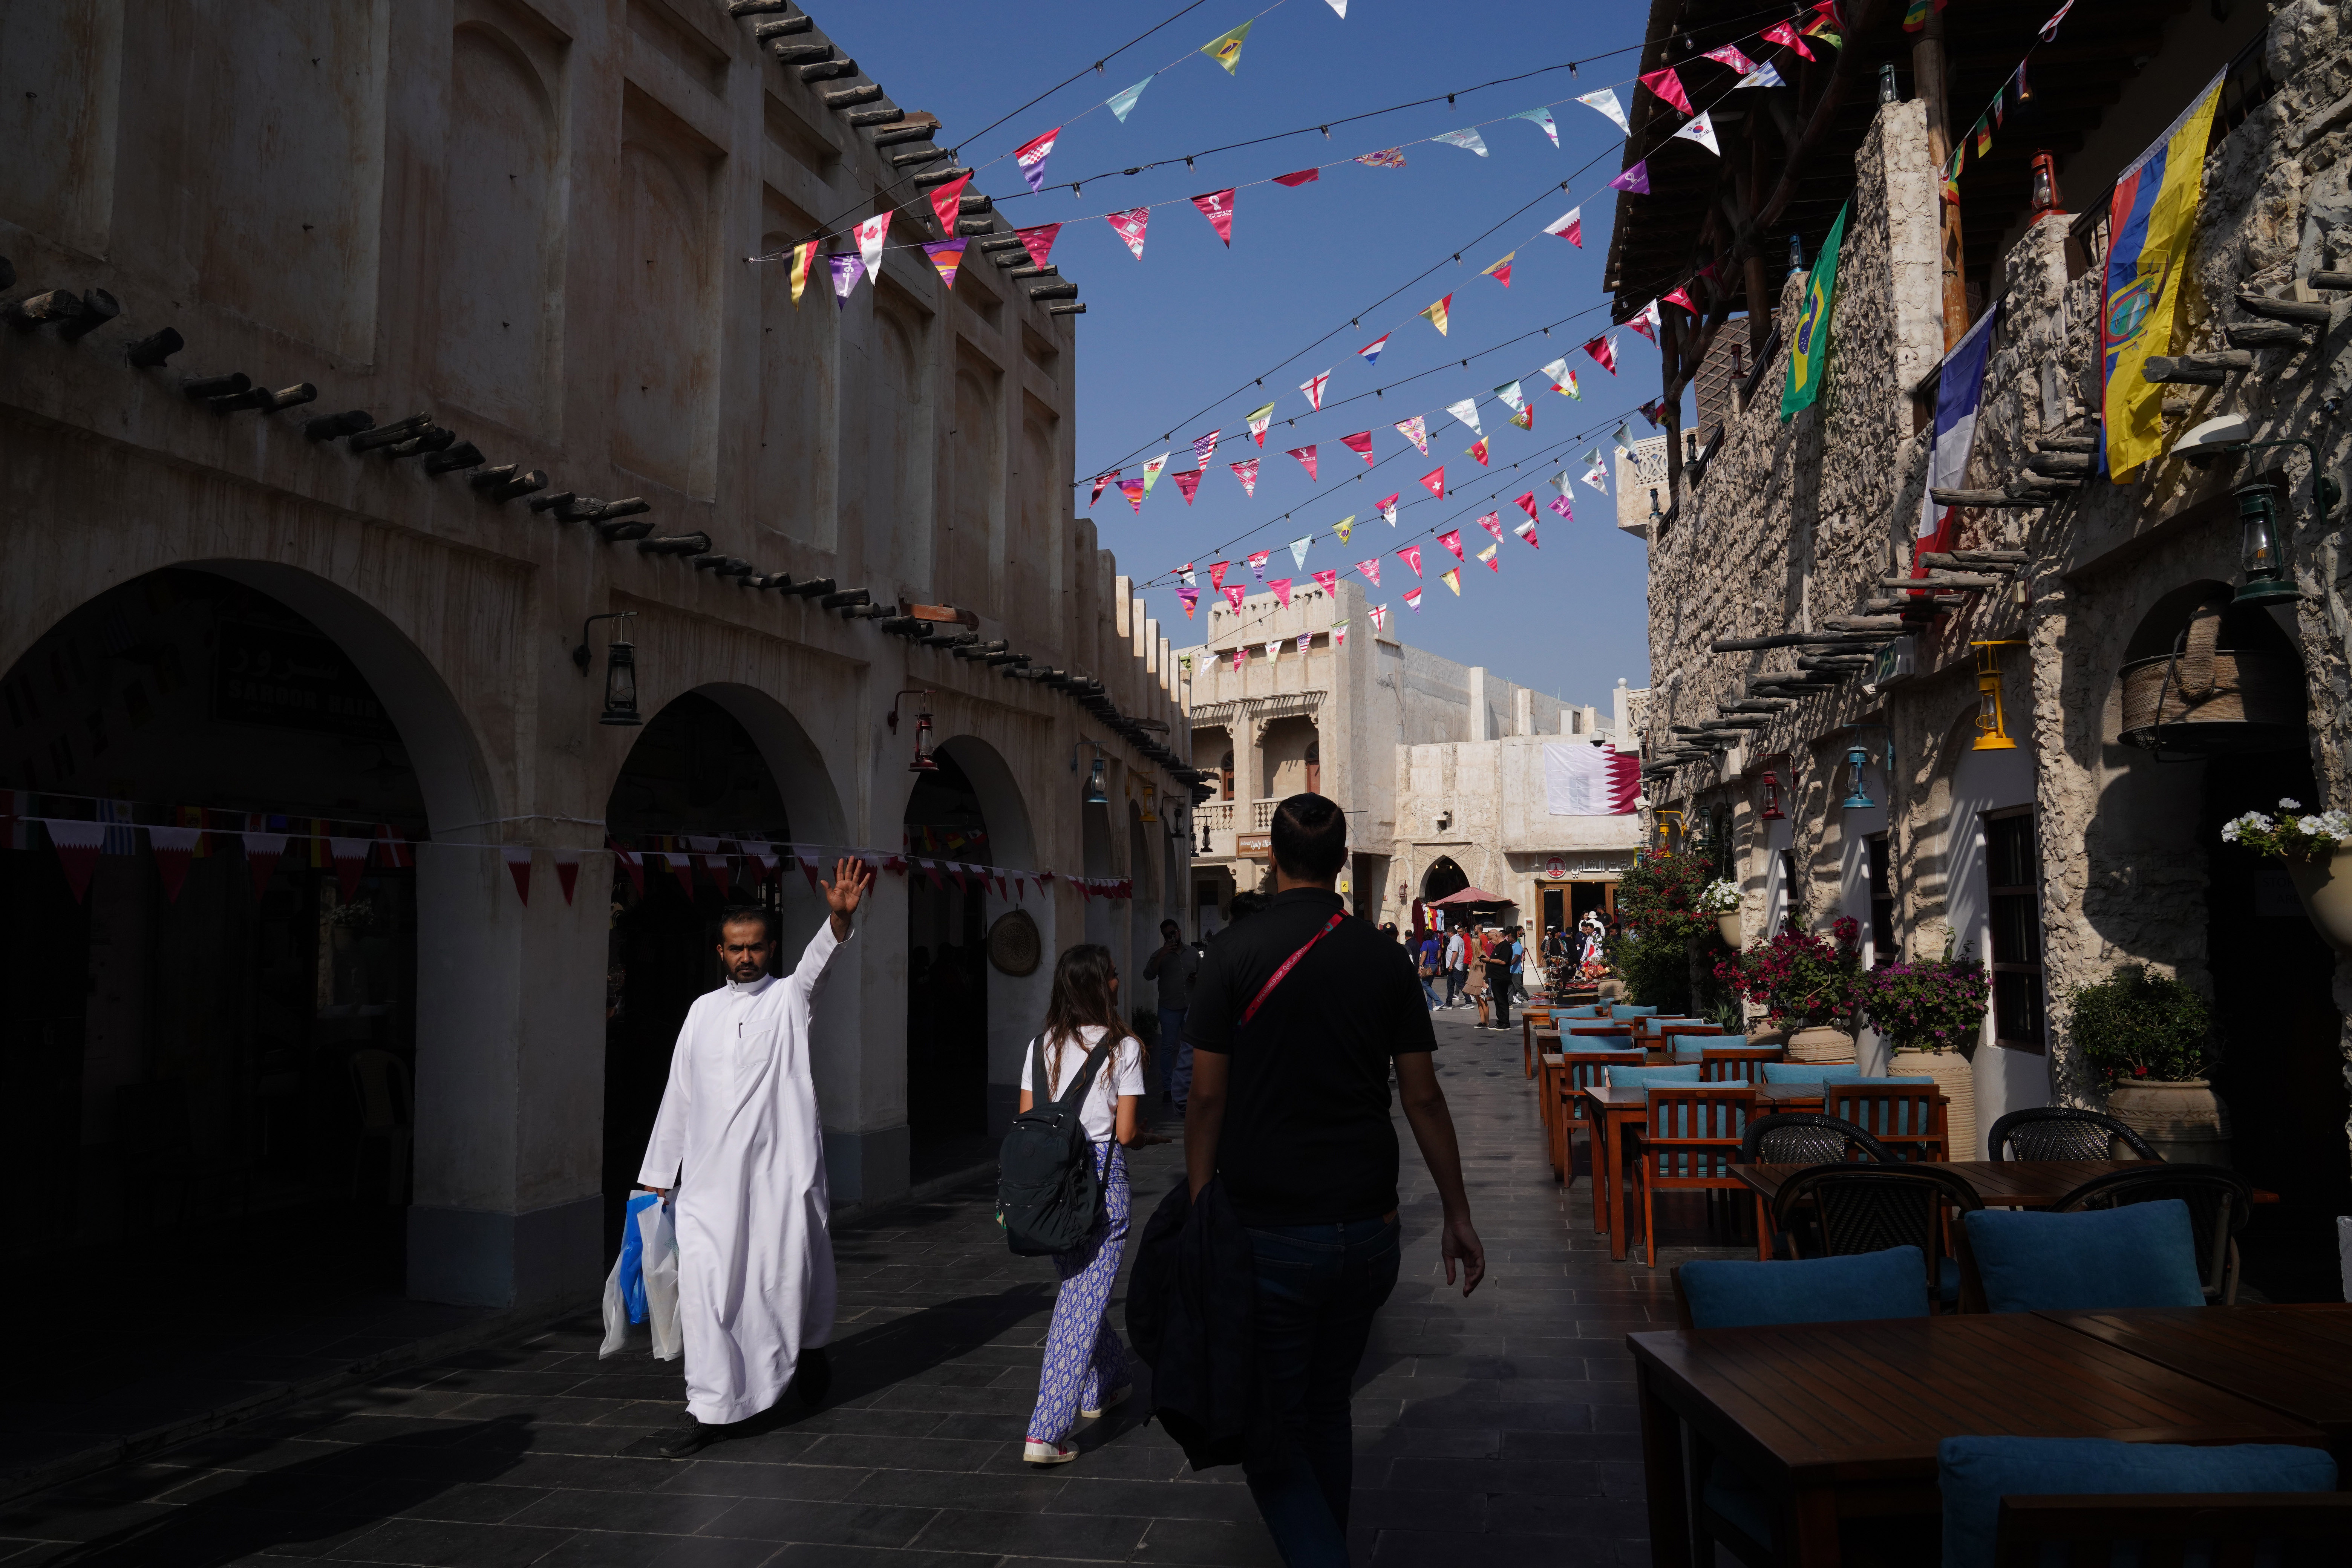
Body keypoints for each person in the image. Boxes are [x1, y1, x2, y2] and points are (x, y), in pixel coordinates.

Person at [1182, 793, 1484, 1565]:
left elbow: (1207, 1096)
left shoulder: (1235, 953)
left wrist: (1197, 1203)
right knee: (1325, 1412)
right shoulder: (1383, 957)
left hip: (1270, 1228)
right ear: (1343, 861)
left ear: (1272, 860)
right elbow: (1422, 1095)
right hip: (1368, 1226)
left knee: (1268, 1429)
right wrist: (1457, 1212)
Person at [640, 859, 873, 1456]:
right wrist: (657, 1181)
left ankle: (809, 1345)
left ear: (772, 949)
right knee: (705, 1288)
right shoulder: (700, 1012)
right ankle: (712, 1408)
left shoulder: (789, 1000)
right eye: (737, 949)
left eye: (757, 948)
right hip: (709, 1189)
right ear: (720, 951)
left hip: (778, 1178)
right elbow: (679, 1096)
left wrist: (839, 920)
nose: (747, 958)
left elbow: (818, 968)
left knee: (785, 1276)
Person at [1018, 944, 1147, 1464]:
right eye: (1113, 976)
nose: (1119, 982)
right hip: (1099, 1181)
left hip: (1048, 1186)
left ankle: (1109, 1381)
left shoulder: (1041, 1045)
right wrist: (1148, 1139)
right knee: (1080, 1301)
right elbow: (1127, 1131)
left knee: (1081, 1292)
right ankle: (1046, 1432)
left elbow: (1027, 1122)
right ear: (1099, 985)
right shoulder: (1125, 1048)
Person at [1143, 919, 1200, 1110]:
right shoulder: (1159, 955)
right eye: (1167, 935)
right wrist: (1162, 954)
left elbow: (1204, 973)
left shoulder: (1192, 953)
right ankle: (1168, 1088)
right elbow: (1148, 975)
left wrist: (1197, 978)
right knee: (1168, 1048)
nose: (1171, 937)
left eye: (1173, 933)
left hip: (1190, 1006)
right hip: (1169, 1007)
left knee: (1193, 1046)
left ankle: (1193, 1085)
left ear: (1180, 932)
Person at [1487, 926, 1515, 1031]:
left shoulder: (1506, 946)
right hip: (1495, 978)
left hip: (1502, 978)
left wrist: (1490, 960)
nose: (1490, 942)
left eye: (1491, 939)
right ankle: (1500, 1022)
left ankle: (1505, 1023)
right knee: (1498, 1001)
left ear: (1497, 936)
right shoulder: (1498, 946)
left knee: (1502, 1000)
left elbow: (1503, 962)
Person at [1466, 928, 1490, 1027]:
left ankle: (1487, 1022)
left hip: (1481, 980)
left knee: (1482, 1000)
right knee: (1478, 1000)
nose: (1471, 945)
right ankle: (1482, 1021)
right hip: (1474, 980)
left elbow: (1486, 969)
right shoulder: (1475, 955)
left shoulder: (1482, 955)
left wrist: (1485, 981)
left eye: (1472, 943)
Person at [1414, 928, 1442, 1011]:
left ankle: (1439, 1001)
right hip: (1435, 966)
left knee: (1425, 985)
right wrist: (1434, 961)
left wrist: (1420, 966)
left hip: (1428, 965)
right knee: (1429, 986)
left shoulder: (1425, 943)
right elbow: (1439, 955)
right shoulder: (1436, 943)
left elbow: (1424, 955)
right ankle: (1429, 1007)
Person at [1442, 924, 1468, 1009]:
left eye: (1447, 933)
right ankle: (1449, 1003)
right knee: (1450, 984)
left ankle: (1469, 1001)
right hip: (1454, 966)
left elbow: (1455, 952)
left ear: (1450, 933)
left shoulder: (1455, 940)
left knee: (1461, 984)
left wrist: (1451, 965)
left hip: (1455, 966)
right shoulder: (1458, 939)